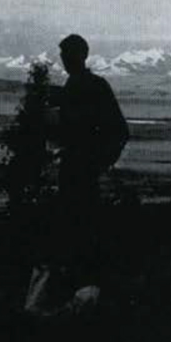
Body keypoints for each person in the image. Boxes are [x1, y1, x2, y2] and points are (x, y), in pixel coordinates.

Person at [37, 34, 129, 314]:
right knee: (71, 229)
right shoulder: (73, 87)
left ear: (81, 56)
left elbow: (119, 130)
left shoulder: (94, 87)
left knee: (83, 228)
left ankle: (84, 294)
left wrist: (99, 160)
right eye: (63, 55)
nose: (64, 60)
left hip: (83, 172)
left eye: (69, 55)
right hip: (72, 170)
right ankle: (74, 293)